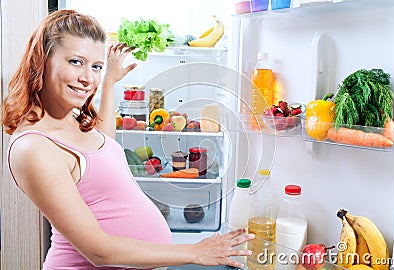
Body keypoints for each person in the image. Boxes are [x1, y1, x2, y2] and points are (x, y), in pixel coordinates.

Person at [2, 9, 254, 270]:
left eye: (96, 66)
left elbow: (103, 145)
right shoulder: (33, 148)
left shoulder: (71, 114)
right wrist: (195, 252)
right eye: (76, 62)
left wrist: (109, 81)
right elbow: (99, 252)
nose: (88, 78)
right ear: (42, 61)